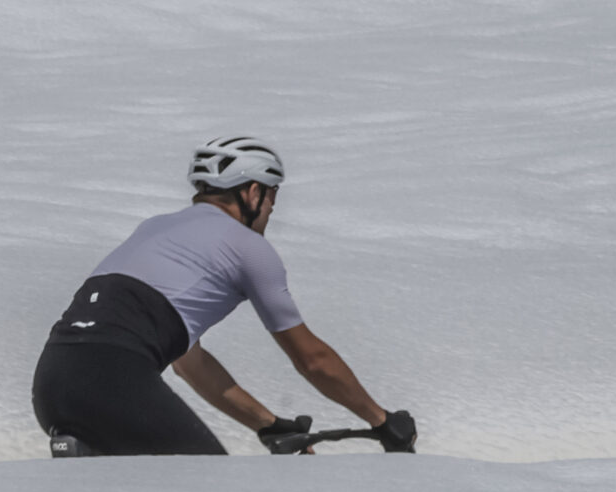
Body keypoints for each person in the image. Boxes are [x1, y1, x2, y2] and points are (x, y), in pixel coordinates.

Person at [33, 137, 416, 457]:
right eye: (272, 199)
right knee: (208, 491)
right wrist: (381, 421)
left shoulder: (157, 228)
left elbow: (189, 362)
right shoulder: (249, 248)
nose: (271, 211)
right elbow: (312, 359)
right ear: (252, 192)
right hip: (114, 378)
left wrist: (267, 424)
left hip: (53, 380)